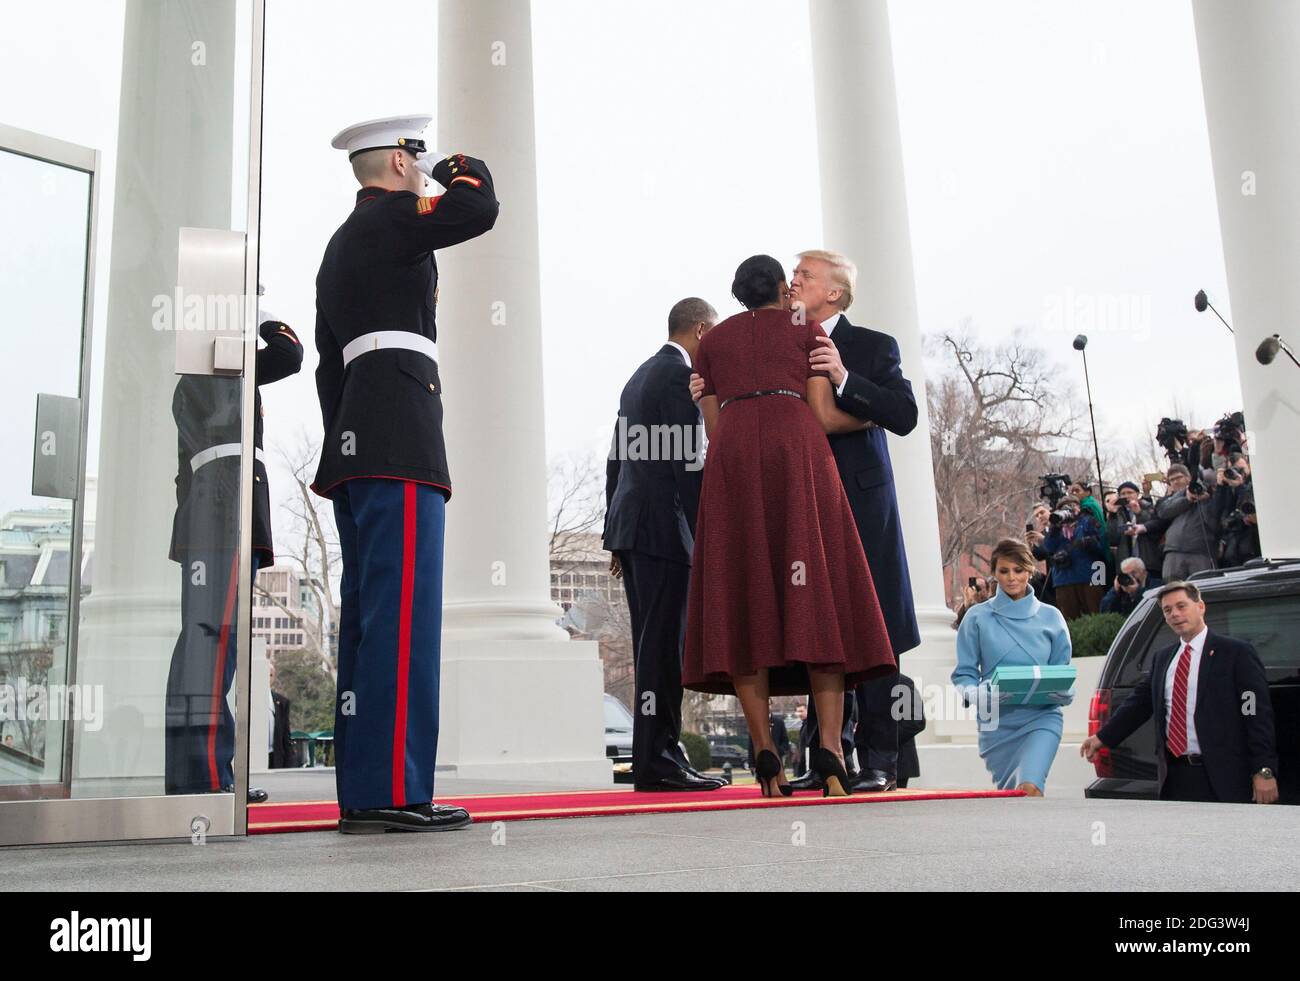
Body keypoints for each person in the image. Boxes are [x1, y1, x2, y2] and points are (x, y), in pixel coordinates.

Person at [313, 115, 498, 833]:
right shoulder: (393, 214)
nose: (424, 171)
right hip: (399, 433)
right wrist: (458, 158)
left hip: (359, 440)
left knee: (366, 619)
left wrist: (342, 448)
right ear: (398, 160)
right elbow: (476, 205)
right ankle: (397, 786)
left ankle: (366, 789)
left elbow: (330, 367)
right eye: (417, 159)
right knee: (403, 619)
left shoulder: (337, 246)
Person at [682, 255, 896, 798]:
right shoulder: (807, 329)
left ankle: (764, 754)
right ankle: (830, 750)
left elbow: (710, 424)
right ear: (781, 289)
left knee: (745, 598)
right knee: (818, 594)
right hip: (795, 451)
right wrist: (871, 415)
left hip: (733, 457)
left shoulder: (712, 343)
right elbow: (822, 413)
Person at [791, 248, 922, 794]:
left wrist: (844, 376)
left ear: (835, 293)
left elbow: (904, 415)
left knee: (877, 629)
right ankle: (826, 758)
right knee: (816, 627)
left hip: (864, 509)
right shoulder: (783, 342)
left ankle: (880, 761)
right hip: (803, 506)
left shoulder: (872, 345)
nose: (792, 281)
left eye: (804, 275)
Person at [165, 314, 301, 804]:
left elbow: (287, 358)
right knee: (209, 646)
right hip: (219, 515)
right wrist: (263, 324)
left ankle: (208, 773)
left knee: (216, 648)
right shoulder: (205, 379)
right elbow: (288, 355)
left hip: (227, 516)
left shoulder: (225, 380)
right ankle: (202, 777)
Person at [604, 298, 723, 792]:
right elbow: (686, 464)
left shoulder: (638, 376)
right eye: (712, 336)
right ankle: (659, 761)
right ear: (699, 330)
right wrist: (708, 534)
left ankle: (657, 756)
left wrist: (615, 534)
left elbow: (615, 458)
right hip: (663, 531)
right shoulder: (678, 377)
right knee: (663, 649)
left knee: (650, 647)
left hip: (634, 529)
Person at [1081, 581, 1279, 803]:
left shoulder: (1235, 653)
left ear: (1200, 607)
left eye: (1181, 606)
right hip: (1175, 776)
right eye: (1168, 610)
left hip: (1224, 776)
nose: (1175, 614)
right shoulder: (1163, 659)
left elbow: (1257, 718)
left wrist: (1264, 770)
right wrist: (1102, 737)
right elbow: (1138, 705)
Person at [952, 539, 1073, 795]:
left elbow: (1060, 671)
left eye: (1018, 570)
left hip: (1042, 717)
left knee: (1029, 786)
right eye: (1004, 571)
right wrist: (977, 694)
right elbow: (964, 675)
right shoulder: (976, 617)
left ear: (1030, 571)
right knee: (1012, 799)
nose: (1011, 578)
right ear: (994, 573)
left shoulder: (1052, 617)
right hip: (995, 721)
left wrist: (1064, 691)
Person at [1144, 464, 1219, 581]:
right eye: (1172, 480)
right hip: (1173, 552)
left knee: (1204, 588)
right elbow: (1163, 511)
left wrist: (1204, 497)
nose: (1175, 482)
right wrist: (1187, 498)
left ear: (1188, 478)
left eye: (1179, 477)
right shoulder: (1170, 499)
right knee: (1173, 589)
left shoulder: (1207, 490)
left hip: (1200, 551)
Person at [1036, 499, 1107, 620]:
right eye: (1063, 508)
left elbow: (1102, 546)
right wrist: (1054, 528)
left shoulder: (1087, 521)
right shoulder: (1057, 528)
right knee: (1069, 618)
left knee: (1096, 613)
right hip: (1064, 578)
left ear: (1078, 508)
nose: (1067, 510)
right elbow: (1048, 548)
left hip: (1092, 575)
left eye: (1071, 506)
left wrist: (1088, 542)